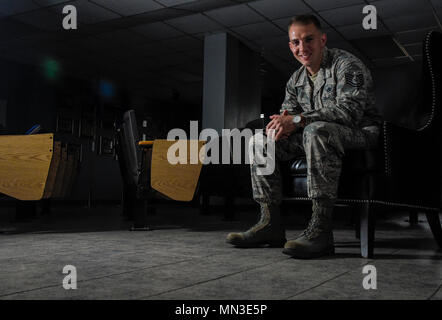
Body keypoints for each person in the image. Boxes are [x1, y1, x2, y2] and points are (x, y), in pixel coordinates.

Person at [226, 14, 382, 258]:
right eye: (296, 42)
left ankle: (321, 229)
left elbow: (349, 112)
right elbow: (287, 115)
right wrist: (279, 126)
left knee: (315, 130)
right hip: (317, 134)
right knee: (260, 140)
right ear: (290, 46)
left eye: (309, 39)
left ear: (322, 39)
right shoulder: (295, 80)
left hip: (361, 133)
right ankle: (270, 224)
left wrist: (297, 121)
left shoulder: (346, 65)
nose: (302, 47)